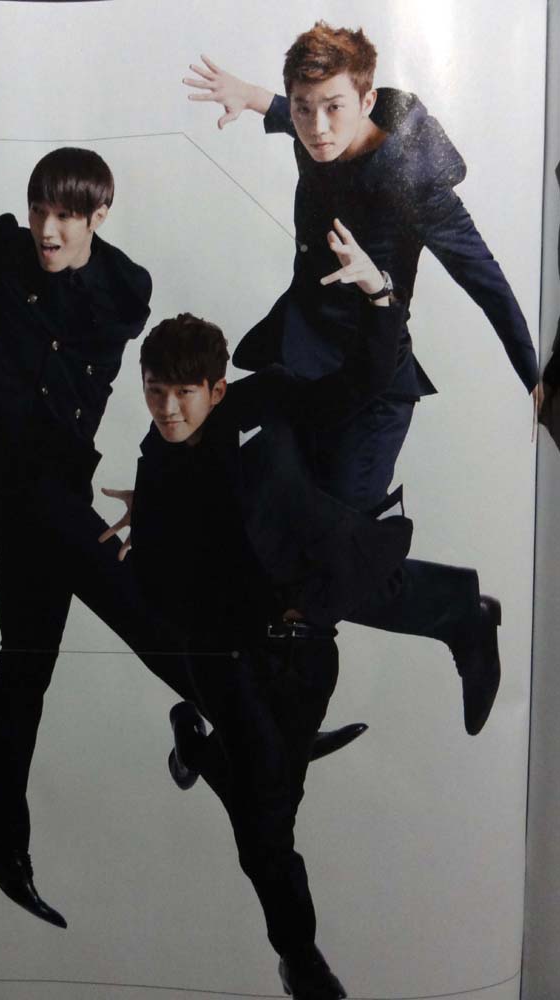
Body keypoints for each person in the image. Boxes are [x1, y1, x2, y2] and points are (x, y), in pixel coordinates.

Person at [0, 27, 359, 931]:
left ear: (98, 215)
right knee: (135, 598)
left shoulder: (127, 289)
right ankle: (260, 724)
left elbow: (154, 390)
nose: (47, 229)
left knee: (26, 661)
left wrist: (165, 480)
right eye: (38, 211)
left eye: (65, 215)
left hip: (61, 482)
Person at [183, 21, 515, 733]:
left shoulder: (414, 183)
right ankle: (263, 724)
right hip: (301, 368)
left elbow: (484, 276)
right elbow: (305, 113)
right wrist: (256, 98)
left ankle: (458, 614)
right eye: (304, 109)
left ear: (366, 101)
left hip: (373, 391)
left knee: (335, 566)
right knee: (272, 532)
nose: (317, 127)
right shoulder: (315, 130)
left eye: (333, 108)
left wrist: (535, 376)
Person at [110, 224, 410, 998]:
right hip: (227, 657)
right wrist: (152, 532)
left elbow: (361, 385)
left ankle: (198, 748)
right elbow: (164, 586)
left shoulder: (261, 402)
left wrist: (379, 296)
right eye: (154, 391)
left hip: (305, 650)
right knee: (266, 826)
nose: (167, 409)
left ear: (218, 389)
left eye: (184, 393)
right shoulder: (155, 461)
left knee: (273, 804)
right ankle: (301, 960)